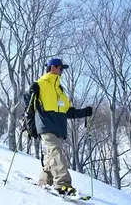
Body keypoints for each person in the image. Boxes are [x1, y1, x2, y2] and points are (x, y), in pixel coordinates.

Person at [30, 58, 93, 196]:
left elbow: (68, 111)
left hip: (59, 128)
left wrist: (84, 112)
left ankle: (44, 181)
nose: (62, 71)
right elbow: (28, 102)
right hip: (46, 125)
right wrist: (31, 91)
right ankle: (63, 184)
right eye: (61, 68)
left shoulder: (60, 90)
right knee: (55, 152)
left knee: (52, 155)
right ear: (53, 67)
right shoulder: (40, 84)